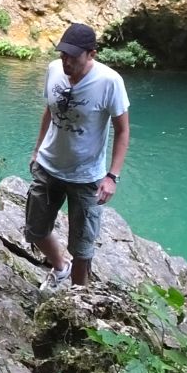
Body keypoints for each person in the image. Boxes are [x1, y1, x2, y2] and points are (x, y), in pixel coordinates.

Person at [25, 22, 130, 289]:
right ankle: (60, 269)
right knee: (35, 231)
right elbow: (49, 110)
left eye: (73, 56)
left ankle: (78, 299)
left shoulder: (110, 82)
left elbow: (122, 131)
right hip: (48, 167)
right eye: (63, 54)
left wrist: (112, 177)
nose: (66, 60)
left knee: (82, 249)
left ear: (91, 54)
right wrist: (37, 150)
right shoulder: (53, 70)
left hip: (86, 177)